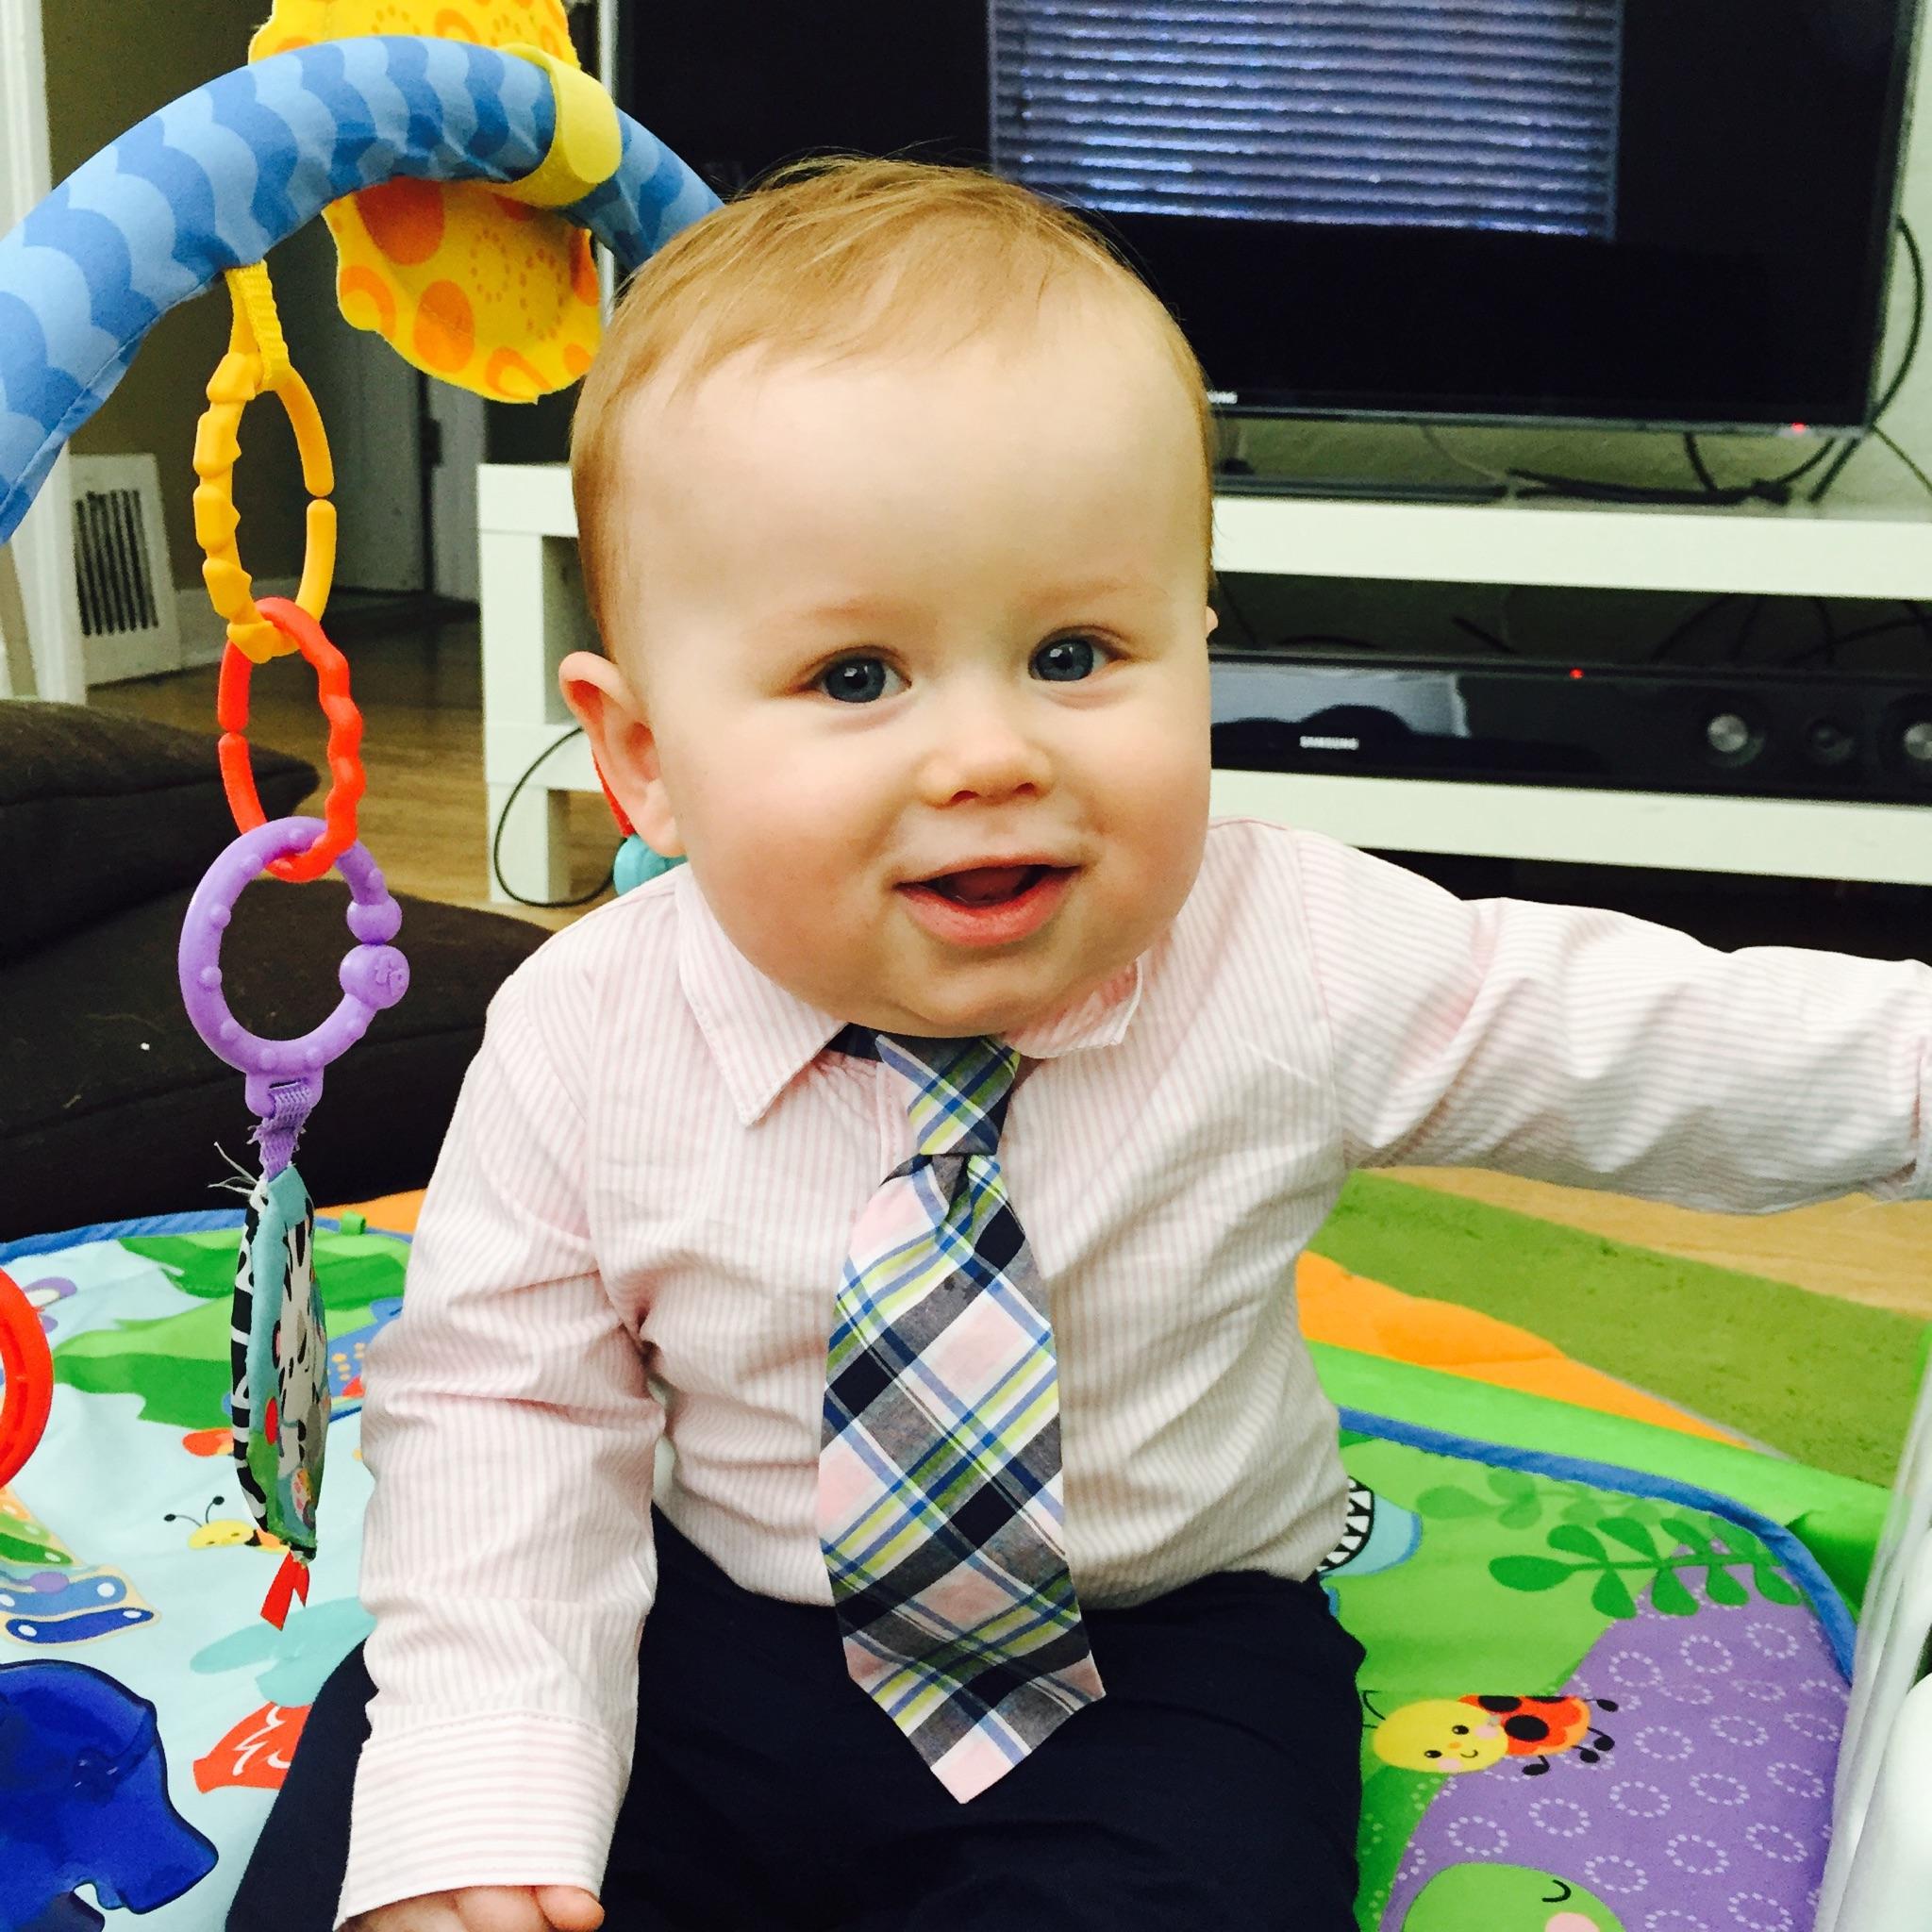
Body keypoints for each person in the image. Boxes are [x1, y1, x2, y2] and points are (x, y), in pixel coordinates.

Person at [233, 158, 1932, 1932]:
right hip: (706, 1625)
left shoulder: (1294, 951)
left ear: (1202, 649)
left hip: (1162, 1655)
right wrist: (488, 1785)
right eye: (857, 677)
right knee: (412, 1829)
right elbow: (504, 1407)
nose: (990, 756)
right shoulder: (584, 1030)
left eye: (1073, 652)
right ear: (645, 757)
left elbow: (1646, 1041)